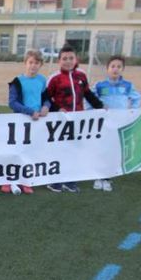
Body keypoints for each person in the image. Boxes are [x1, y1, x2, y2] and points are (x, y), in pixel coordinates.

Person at [44, 45, 104, 193]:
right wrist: (57, 109)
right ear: (59, 61)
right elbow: (45, 97)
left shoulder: (81, 75)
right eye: (64, 58)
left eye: (71, 58)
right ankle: (55, 181)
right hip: (59, 121)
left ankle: (70, 180)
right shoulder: (54, 78)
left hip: (78, 120)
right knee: (59, 150)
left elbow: (88, 94)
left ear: (76, 59)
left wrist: (100, 106)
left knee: (75, 149)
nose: (68, 61)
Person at [93, 55, 141, 192]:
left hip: (119, 122)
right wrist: (96, 110)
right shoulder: (99, 85)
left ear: (123, 69)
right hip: (104, 123)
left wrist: (131, 111)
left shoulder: (127, 85)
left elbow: (136, 98)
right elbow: (91, 99)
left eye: (119, 67)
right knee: (101, 149)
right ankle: (98, 176)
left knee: (114, 150)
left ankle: (107, 177)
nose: (115, 69)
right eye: (113, 66)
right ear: (107, 69)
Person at [7, 49, 51, 195]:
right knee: (16, 151)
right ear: (25, 63)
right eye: (31, 62)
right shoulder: (17, 81)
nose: (33, 66)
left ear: (40, 65)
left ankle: (26, 181)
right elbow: (12, 103)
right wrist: (29, 112)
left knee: (32, 152)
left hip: (37, 122)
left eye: (37, 63)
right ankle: (9, 180)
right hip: (21, 121)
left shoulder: (42, 80)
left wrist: (46, 106)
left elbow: (47, 98)